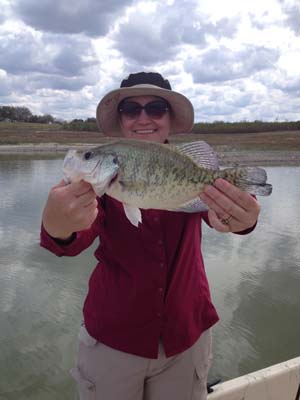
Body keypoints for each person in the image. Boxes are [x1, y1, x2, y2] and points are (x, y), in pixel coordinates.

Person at [40, 72, 260, 400]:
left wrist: (243, 217)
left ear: (169, 118)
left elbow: (223, 215)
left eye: (156, 108)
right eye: (131, 109)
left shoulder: (186, 165)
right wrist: (57, 226)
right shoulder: (98, 186)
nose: (144, 118)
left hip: (186, 335)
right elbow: (74, 238)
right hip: (114, 339)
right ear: (121, 119)